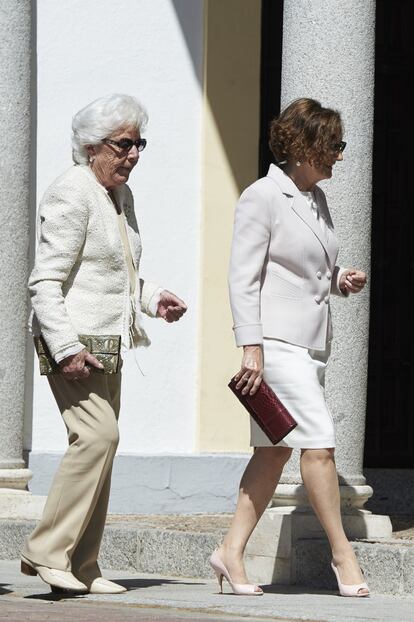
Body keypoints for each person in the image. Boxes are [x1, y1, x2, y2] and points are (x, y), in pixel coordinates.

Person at [21, 93, 187, 594]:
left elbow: (121, 271)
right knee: (98, 438)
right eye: (123, 145)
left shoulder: (119, 195)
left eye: (139, 144)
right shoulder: (72, 192)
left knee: (102, 448)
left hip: (108, 341)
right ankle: (47, 551)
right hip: (72, 342)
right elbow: (44, 283)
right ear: (91, 146)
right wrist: (67, 347)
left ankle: (82, 567)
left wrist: (154, 299)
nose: (133, 154)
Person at [210, 98, 369, 597]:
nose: (339, 155)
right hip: (276, 346)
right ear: (301, 146)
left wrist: (341, 279)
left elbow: (306, 269)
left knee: (272, 453)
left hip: (309, 345)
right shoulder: (263, 195)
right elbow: (243, 277)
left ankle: (229, 553)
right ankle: (343, 556)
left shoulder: (315, 198)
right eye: (332, 146)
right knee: (318, 445)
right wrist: (250, 348)